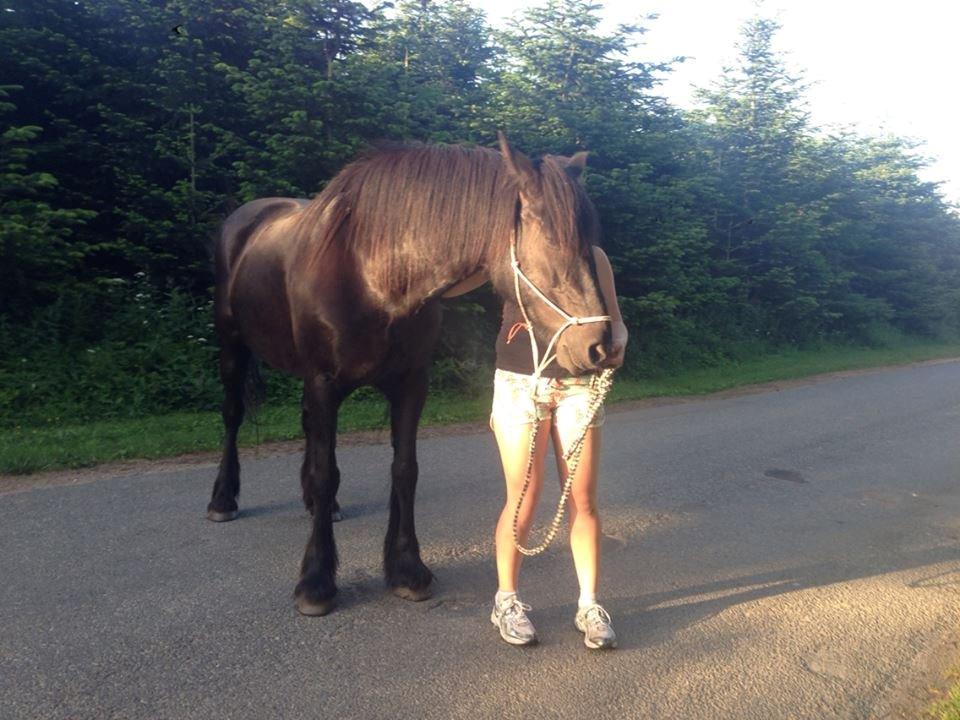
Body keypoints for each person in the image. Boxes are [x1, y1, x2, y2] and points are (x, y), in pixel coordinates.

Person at [489, 245, 627, 649]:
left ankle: (589, 605)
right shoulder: (510, 253)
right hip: (519, 381)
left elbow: (616, 322)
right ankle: (506, 601)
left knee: (582, 498)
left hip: (579, 384)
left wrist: (619, 342)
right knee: (523, 496)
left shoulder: (595, 257)